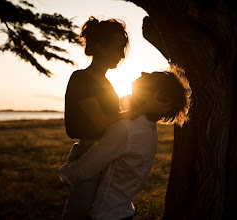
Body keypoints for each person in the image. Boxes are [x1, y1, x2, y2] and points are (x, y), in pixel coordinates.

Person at [62, 17, 170, 220]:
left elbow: (115, 119)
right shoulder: (82, 78)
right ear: (101, 46)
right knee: (76, 215)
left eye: (123, 48)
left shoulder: (106, 82)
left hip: (106, 152)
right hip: (88, 154)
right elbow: (101, 122)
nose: (121, 54)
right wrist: (142, 109)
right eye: (118, 47)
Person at [59, 68, 192, 220]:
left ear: (161, 98)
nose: (143, 73)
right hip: (123, 212)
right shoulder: (147, 128)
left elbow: (84, 169)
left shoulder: (126, 129)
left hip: (102, 216)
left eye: (151, 78)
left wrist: (63, 173)